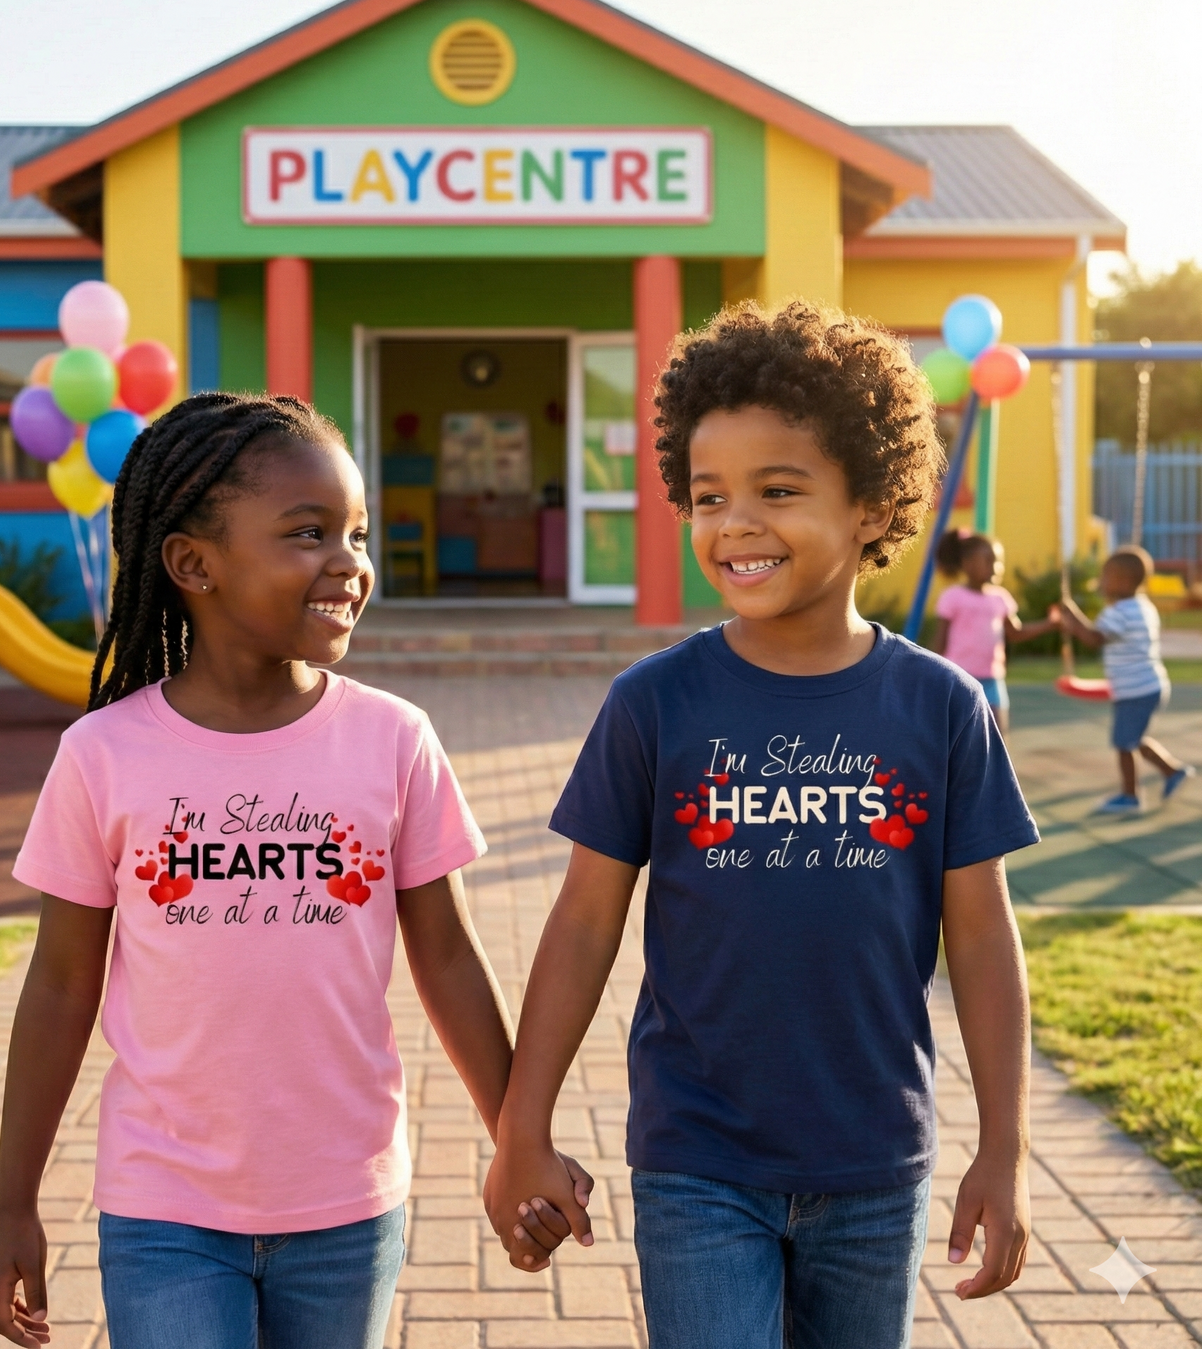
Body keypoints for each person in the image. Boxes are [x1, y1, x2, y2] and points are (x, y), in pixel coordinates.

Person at [483, 302, 1040, 1349]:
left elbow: (979, 937)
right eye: (706, 497)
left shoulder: (937, 707)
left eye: (776, 491)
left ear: (871, 505)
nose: (732, 522)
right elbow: (581, 922)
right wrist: (522, 1125)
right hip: (697, 1158)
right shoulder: (654, 702)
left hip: (874, 1160)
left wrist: (1002, 1147)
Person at [0, 393, 589, 1349]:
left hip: (347, 1203)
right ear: (193, 563)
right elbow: (59, 984)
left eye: (355, 532)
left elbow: (450, 960)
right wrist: (13, 1198)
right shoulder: (103, 756)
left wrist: (519, 1140)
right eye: (307, 534)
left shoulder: (395, 740)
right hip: (163, 1205)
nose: (348, 563)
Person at [1051, 545, 1193, 813]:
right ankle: (1171, 771)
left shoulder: (1118, 612)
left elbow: (1094, 639)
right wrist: (1075, 622)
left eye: (1106, 576)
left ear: (1123, 581)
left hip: (1136, 690)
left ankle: (1131, 795)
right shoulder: (1143, 607)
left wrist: (1072, 615)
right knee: (1134, 738)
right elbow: (1098, 634)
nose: (1101, 582)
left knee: (1123, 742)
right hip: (1149, 686)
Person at [932, 529, 1055, 731]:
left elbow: (1015, 632)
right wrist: (933, 675)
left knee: (998, 735)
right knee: (960, 735)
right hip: (960, 679)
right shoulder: (952, 597)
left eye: (998, 561)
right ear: (967, 563)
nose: (997, 567)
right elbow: (940, 640)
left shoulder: (1000, 598)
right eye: (989, 560)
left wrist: (1049, 624)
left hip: (992, 679)